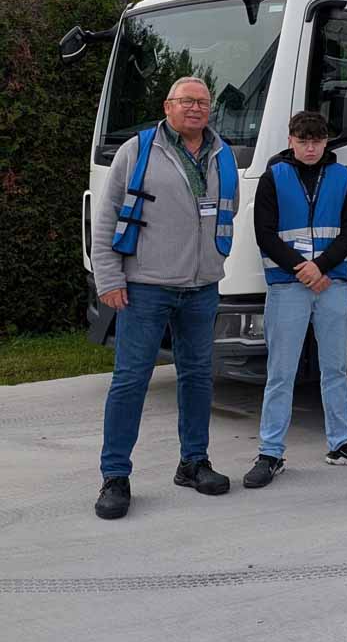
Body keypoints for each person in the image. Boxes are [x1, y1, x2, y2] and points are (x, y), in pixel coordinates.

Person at [91, 76, 238, 519]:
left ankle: (194, 463)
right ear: (167, 105)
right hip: (144, 287)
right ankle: (115, 476)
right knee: (131, 381)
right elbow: (108, 217)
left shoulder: (222, 153)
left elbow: (225, 212)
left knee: (197, 379)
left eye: (204, 102)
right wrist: (109, 279)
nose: (196, 109)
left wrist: (215, 262)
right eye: (187, 101)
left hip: (201, 288)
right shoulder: (136, 150)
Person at [244, 111, 347, 488]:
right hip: (288, 285)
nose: (310, 148)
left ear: (326, 142)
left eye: (317, 141)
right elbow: (265, 233)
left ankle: (341, 443)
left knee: (336, 368)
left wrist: (320, 267)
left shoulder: (341, 176)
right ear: (291, 140)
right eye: (303, 140)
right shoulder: (274, 176)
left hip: (331, 283)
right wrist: (301, 269)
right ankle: (270, 452)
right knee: (281, 372)